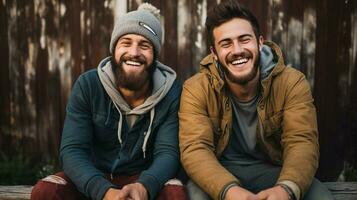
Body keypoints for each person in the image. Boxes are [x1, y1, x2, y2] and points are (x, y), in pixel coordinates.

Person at [179, 0, 334, 200]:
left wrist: (285, 189)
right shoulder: (196, 88)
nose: (237, 50)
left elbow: (302, 142)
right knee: (194, 196)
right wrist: (230, 191)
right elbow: (195, 149)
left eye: (244, 39)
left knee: (321, 196)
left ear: (259, 42)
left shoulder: (292, 82)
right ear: (214, 54)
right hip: (220, 173)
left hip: (274, 172)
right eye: (226, 43)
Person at [31, 3, 186, 200]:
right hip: (93, 175)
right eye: (126, 42)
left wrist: (144, 186)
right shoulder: (89, 85)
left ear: (155, 54)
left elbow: (168, 153)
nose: (134, 52)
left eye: (144, 45)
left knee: (175, 193)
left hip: (142, 178)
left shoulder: (171, 92)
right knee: (46, 191)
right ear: (114, 48)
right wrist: (104, 191)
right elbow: (73, 150)